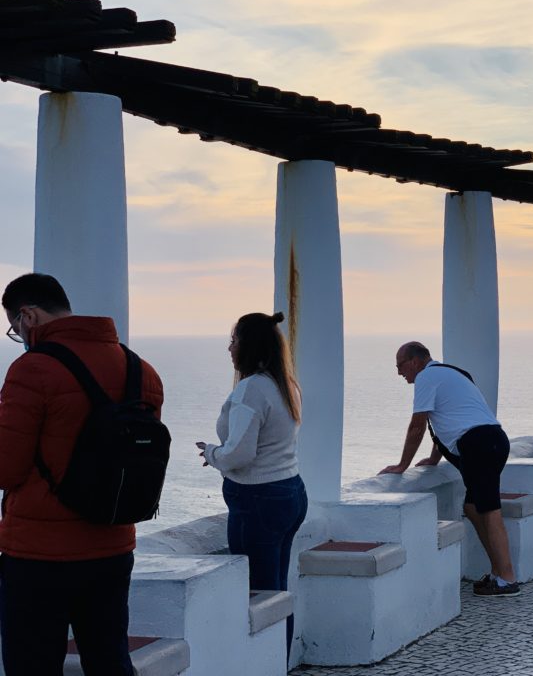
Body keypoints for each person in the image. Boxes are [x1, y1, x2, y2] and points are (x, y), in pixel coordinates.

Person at [0, 273, 164, 676]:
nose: (17, 335)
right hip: (112, 548)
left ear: (28, 316)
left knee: (33, 665)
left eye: (13, 326)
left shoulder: (32, 370)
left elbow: (7, 467)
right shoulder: (141, 371)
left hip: (39, 555)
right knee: (109, 660)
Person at [197, 311, 308, 655]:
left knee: (258, 595)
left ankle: (266, 663)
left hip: (257, 499)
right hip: (289, 491)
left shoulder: (250, 390)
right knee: (276, 593)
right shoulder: (285, 384)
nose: (229, 347)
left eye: (234, 340)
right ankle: (279, 663)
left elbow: (239, 455)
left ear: (249, 345)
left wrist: (213, 453)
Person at [379, 341, 520, 597]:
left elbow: (417, 426)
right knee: (472, 507)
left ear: (415, 361)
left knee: (490, 510)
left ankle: (508, 578)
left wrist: (403, 465)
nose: (399, 372)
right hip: (493, 439)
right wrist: (434, 458)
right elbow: (450, 419)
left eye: (400, 366)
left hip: (478, 444)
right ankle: (498, 572)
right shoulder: (453, 373)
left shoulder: (426, 378)